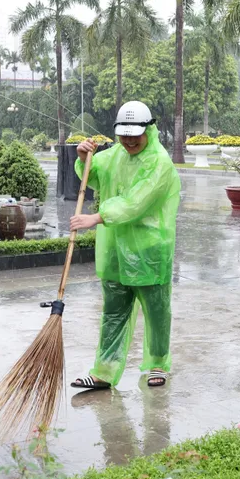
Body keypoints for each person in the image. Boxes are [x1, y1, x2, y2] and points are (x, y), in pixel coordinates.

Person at [68, 101, 181, 390]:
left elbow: (136, 203)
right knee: (113, 312)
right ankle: (104, 371)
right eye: (124, 135)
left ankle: (158, 364)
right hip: (116, 251)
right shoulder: (115, 154)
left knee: (156, 312)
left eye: (135, 135)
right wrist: (83, 158)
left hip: (149, 252)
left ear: (149, 129)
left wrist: (96, 217)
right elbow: (93, 176)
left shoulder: (160, 163)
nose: (129, 141)